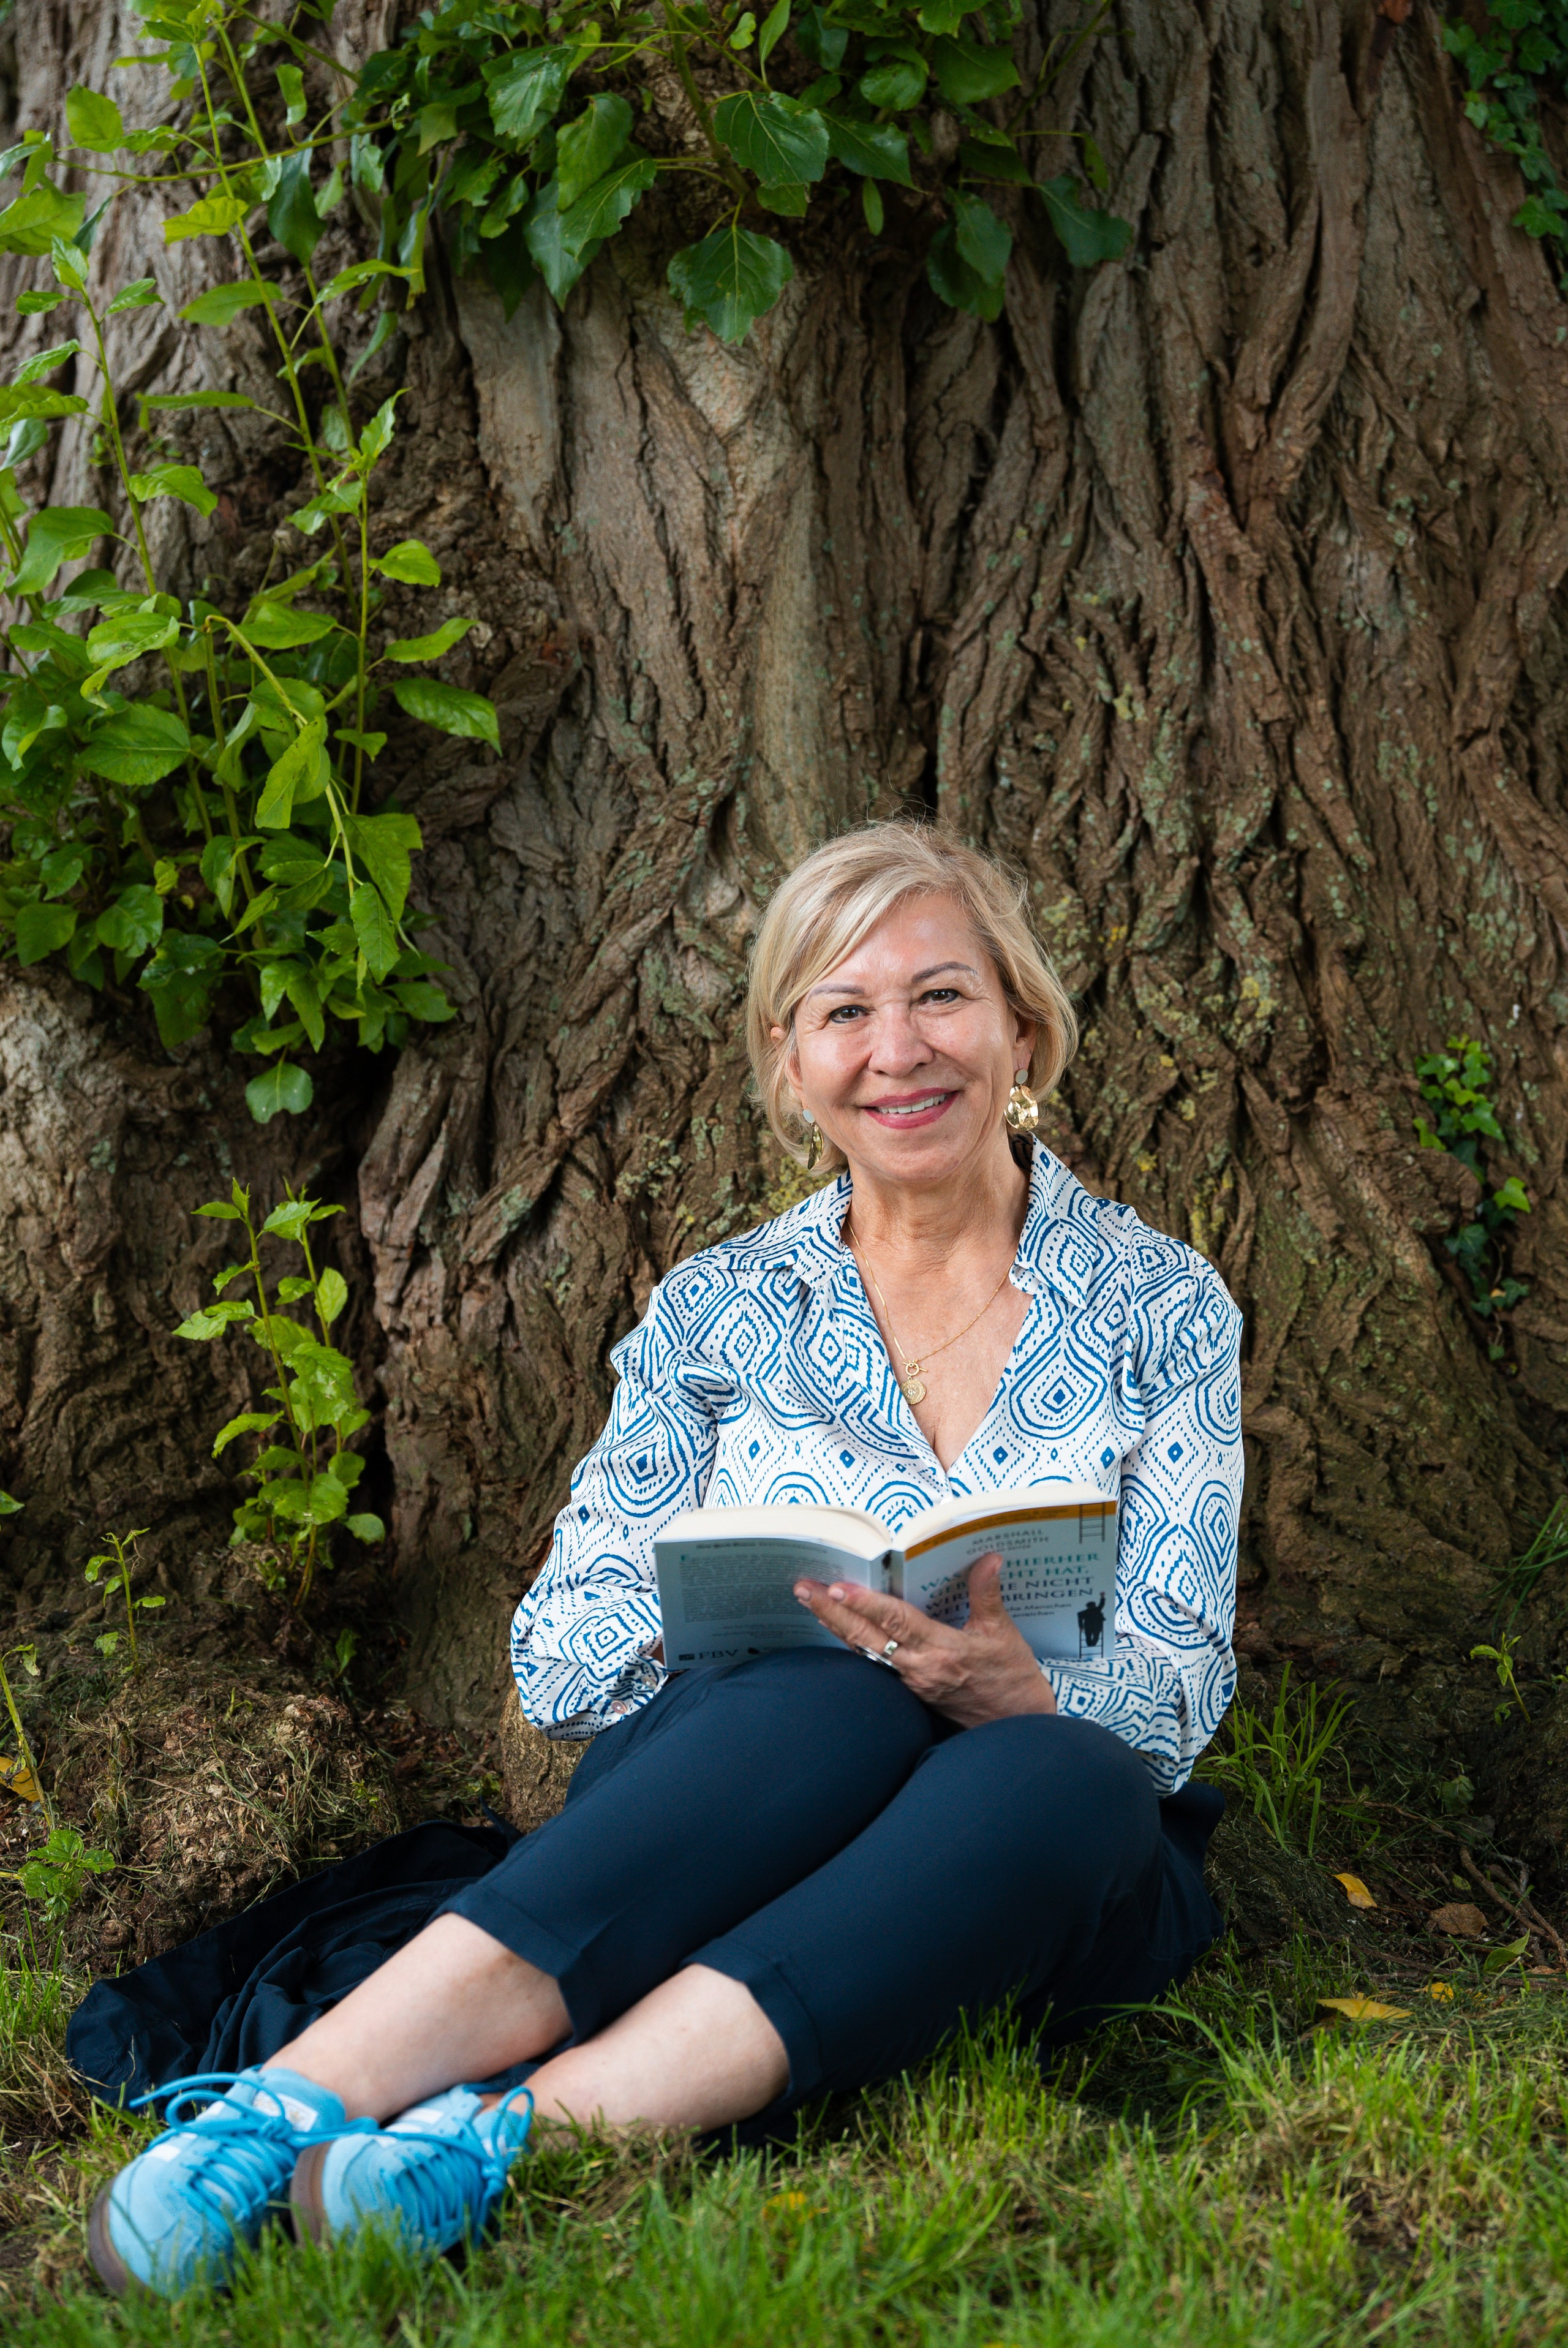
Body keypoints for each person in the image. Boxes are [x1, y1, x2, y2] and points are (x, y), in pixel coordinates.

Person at [89, 823, 1243, 2298]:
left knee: (1072, 1775)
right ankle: (274, 2118)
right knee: (832, 1693)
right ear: (789, 1064)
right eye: (843, 1012)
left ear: (1020, 1024)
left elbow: (1180, 1676)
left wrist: (1028, 1699)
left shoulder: (1156, 1302)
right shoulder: (719, 1311)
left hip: (1026, 1846)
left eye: (940, 997)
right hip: (735, 1804)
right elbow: (558, 1654)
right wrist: (736, 1620)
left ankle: (507, 2141)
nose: (898, 1051)